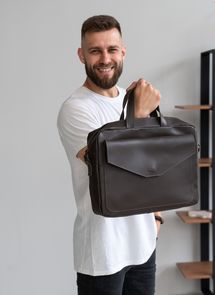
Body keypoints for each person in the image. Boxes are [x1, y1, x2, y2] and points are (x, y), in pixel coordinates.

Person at [57, 15, 163, 295]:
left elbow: (151, 164)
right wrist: (139, 115)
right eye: (95, 50)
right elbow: (109, 166)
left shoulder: (131, 101)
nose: (105, 58)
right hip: (103, 254)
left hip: (143, 247)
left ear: (123, 52)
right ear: (82, 55)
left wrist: (156, 218)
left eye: (112, 49)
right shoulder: (76, 109)